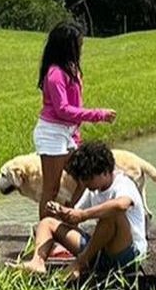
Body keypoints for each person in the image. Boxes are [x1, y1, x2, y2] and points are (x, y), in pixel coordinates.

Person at [20, 140, 146, 281]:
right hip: (98, 252)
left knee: (111, 213)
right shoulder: (93, 190)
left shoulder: (123, 184)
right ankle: (37, 262)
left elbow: (121, 205)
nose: (84, 184)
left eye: (88, 179)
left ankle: (79, 264)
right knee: (47, 222)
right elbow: (76, 214)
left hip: (127, 255)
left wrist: (83, 215)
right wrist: (62, 212)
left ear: (104, 171)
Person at [33, 21, 116, 221]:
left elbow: (73, 107)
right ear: (67, 46)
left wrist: (76, 135)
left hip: (67, 133)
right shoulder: (55, 74)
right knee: (51, 189)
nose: (81, 48)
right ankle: (46, 232)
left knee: (85, 177)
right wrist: (98, 115)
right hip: (52, 134)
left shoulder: (71, 70)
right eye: (78, 44)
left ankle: (68, 217)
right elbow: (63, 110)